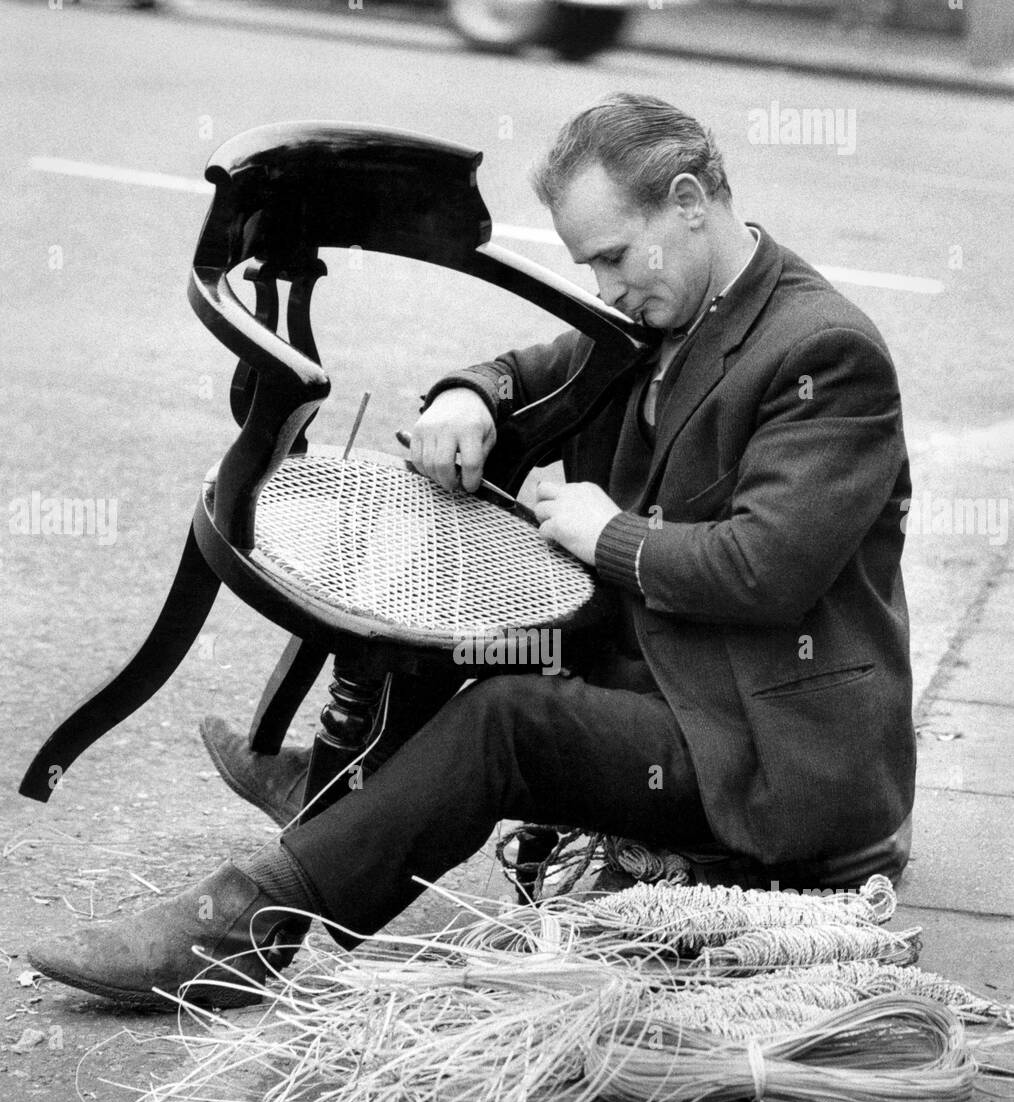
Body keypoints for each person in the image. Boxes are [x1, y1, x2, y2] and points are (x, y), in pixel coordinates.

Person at [29, 93, 916, 1010]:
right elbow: (539, 370)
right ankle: (345, 790)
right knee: (463, 595)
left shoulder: (826, 352)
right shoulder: (671, 302)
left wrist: (601, 530)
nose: (606, 289)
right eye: (589, 265)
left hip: (770, 757)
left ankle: (243, 927)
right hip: (671, 673)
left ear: (690, 201)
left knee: (509, 720)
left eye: (612, 257)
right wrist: (473, 399)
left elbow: (764, 573)